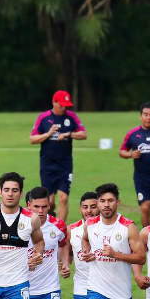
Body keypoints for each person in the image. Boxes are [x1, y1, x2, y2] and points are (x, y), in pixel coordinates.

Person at [30, 90, 87, 220]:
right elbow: (32, 139)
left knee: (64, 197)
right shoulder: (43, 117)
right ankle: (51, 225)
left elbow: (84, 134)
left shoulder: (71, 116)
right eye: (61, 105)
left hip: (65, 164)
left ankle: (61, 229)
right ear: (54, 102)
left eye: (66, 105)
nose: (64, 108)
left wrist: (69, 134)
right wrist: (48, 134)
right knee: (49, 202)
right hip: (47, 165)